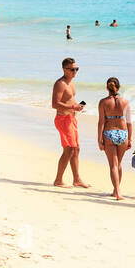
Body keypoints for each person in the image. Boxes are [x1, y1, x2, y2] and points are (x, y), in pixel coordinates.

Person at [52, 58, 89, 187]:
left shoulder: (71, 82)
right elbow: (55, 104)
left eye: (76, 69)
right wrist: (73, 107)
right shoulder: (60, 83)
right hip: (63, 119)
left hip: (72, 118)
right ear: (64, 69)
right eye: (72, 69)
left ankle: (76, 179)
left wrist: (77, 106)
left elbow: (69, 99)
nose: (75, 72)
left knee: (76, 148)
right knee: (69, 149)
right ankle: (58, 180)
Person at [97, 77, 132, 200]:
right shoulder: (126, 102)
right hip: (123, 133)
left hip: (109, 133)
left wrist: (99, 139)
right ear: (119, 87)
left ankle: (117, 191)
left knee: (113, 165)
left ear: (107, 87)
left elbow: (101, 122)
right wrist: (130, 139)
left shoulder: (103, 102)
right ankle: (116, 190)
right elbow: (129, 123)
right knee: (118, 164)